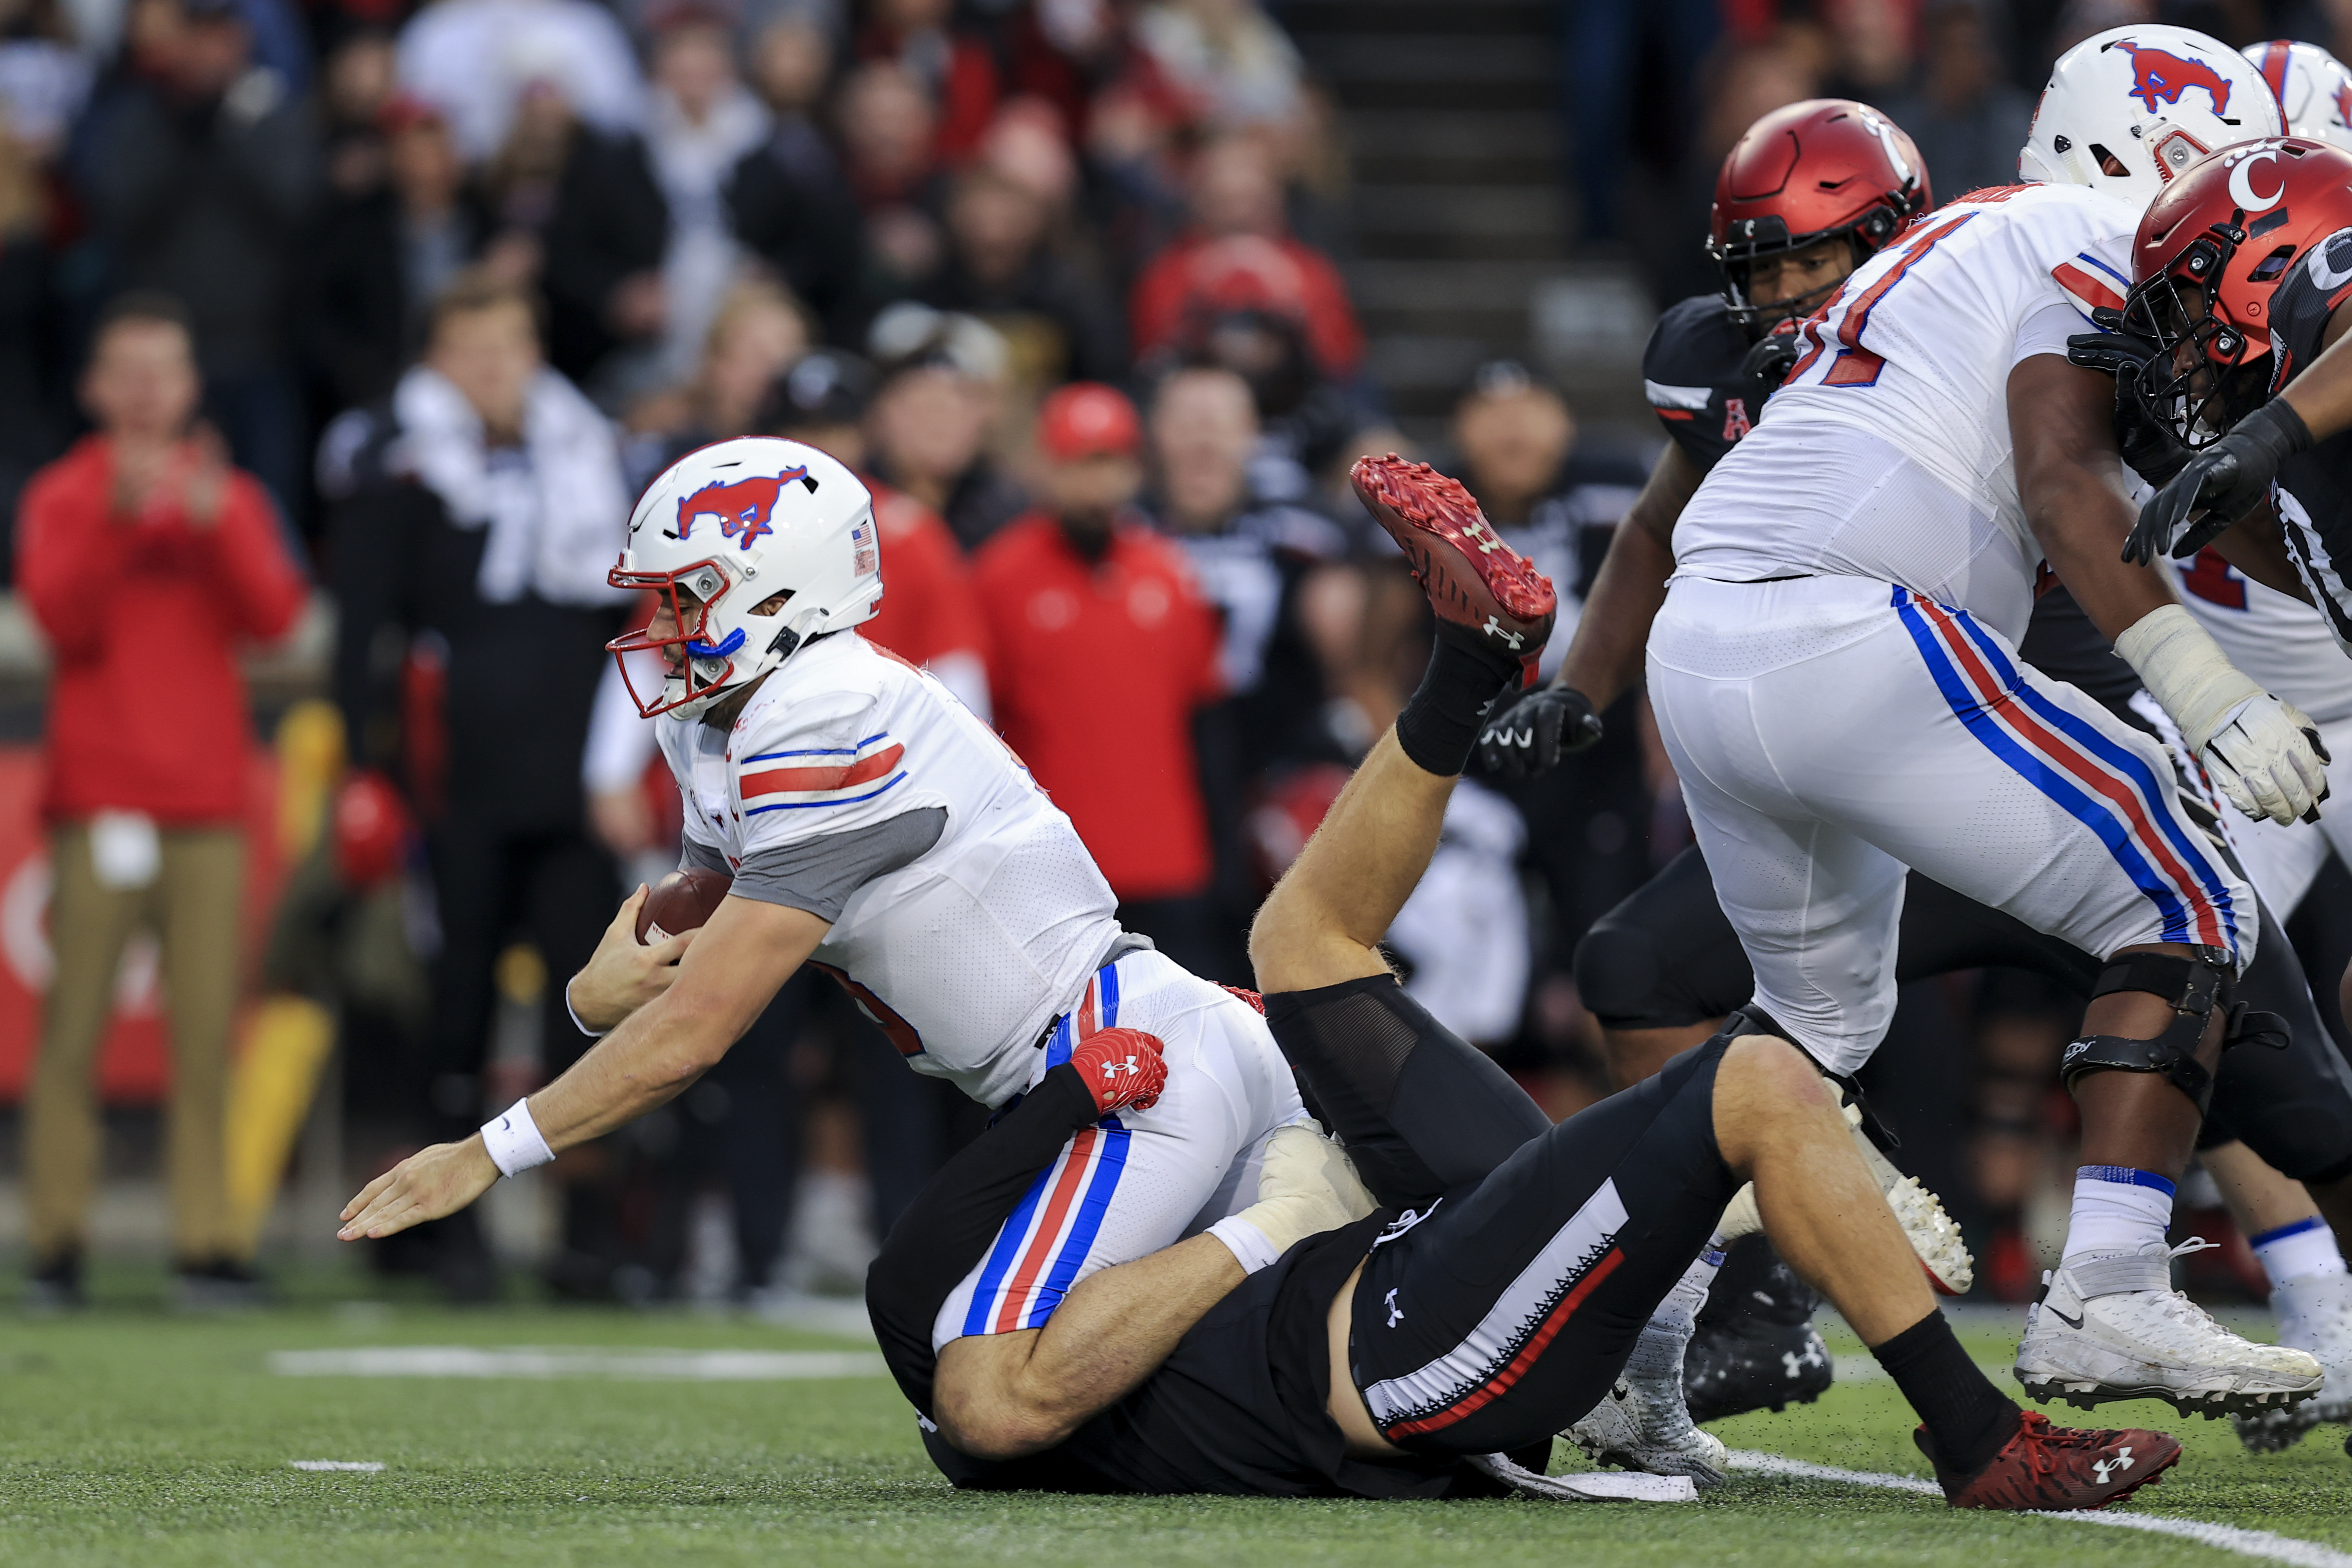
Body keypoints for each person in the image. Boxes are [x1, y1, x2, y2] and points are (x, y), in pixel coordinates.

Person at [864, 454, 2185, 1512]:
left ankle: (1466, 667)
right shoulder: (989, 1385)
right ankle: (1973, 1435)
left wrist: (1119, 1144)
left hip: (1392, 1252)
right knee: (1759, 1080)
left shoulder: (1033, 1296)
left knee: (1301, 942)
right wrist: (1266, 1225)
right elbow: (993, 1404)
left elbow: (1017, 1285)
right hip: (1396, 1343)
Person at [1496, 26, 2337, 1420]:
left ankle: (1628, 1355)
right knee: (2193, 887)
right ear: (2162, 166)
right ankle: (2110, 1285)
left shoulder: (1943, 260)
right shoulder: (2083, 236)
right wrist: (2215, 690)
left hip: (1716, 649)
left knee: (1803, 1031)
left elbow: (2182, 493)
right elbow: (2071, 492)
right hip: (1863, 635)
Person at [337, 433, 1326, 1448]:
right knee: (935, 1340)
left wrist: (486, 1153)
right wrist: (593, 997)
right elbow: (693, 933)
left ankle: (1288, 1217)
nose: (661, 623)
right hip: (1076, 1076)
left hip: (1125, 1064)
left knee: (987, 1403)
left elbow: (694, 1029)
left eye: (686, 594)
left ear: (776, 594)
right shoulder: (734, 713)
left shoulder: (825, 708)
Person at [320, 271, 635, 1297]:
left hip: (574, 777)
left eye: (512, 343)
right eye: (472, 347)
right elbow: (364, 622)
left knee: (584, 1006)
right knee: (452, 1006)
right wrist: (362, 767)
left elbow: (628, 621)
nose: (496, 367)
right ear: (436, 361)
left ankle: (582, 1228)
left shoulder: (593, 455)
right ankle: (437, 1225)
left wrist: (631, 762)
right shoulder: (401, 465)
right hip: (456, 778)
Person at [15, 292, 308, 1310]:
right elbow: (60, 620)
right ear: (97, 388)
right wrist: (118, 519)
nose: (146, 392)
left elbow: (274, 616)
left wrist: (213, 520)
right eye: (127, 372)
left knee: (204, 1033)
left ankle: (209, 1243)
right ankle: (57, 1241)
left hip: (207, 805)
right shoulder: (62, 495)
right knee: (74, 1033)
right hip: (100, 800)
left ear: (189, 386)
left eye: (164, 371)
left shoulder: (229, 496)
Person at [973, 381, 1226, 976]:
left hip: (1171, 863)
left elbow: (1206, 722)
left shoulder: (1169, 572)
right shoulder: (997, 577)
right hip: (1053, 871)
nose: (1096, 485)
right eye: (1080, 465)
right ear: (1045, 467)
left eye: (1111, 464)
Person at [76, 0, 320, 522]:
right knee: (149, 510)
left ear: (241, 42)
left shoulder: (270, 113)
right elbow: (120, 211)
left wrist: (232, 134)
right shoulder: (142, 114)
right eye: (197, 36)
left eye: (221, 37)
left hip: (258, 347)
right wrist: (180, 133)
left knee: (265, 512)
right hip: (162, 360)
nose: (209, 51)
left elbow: (294, 206)